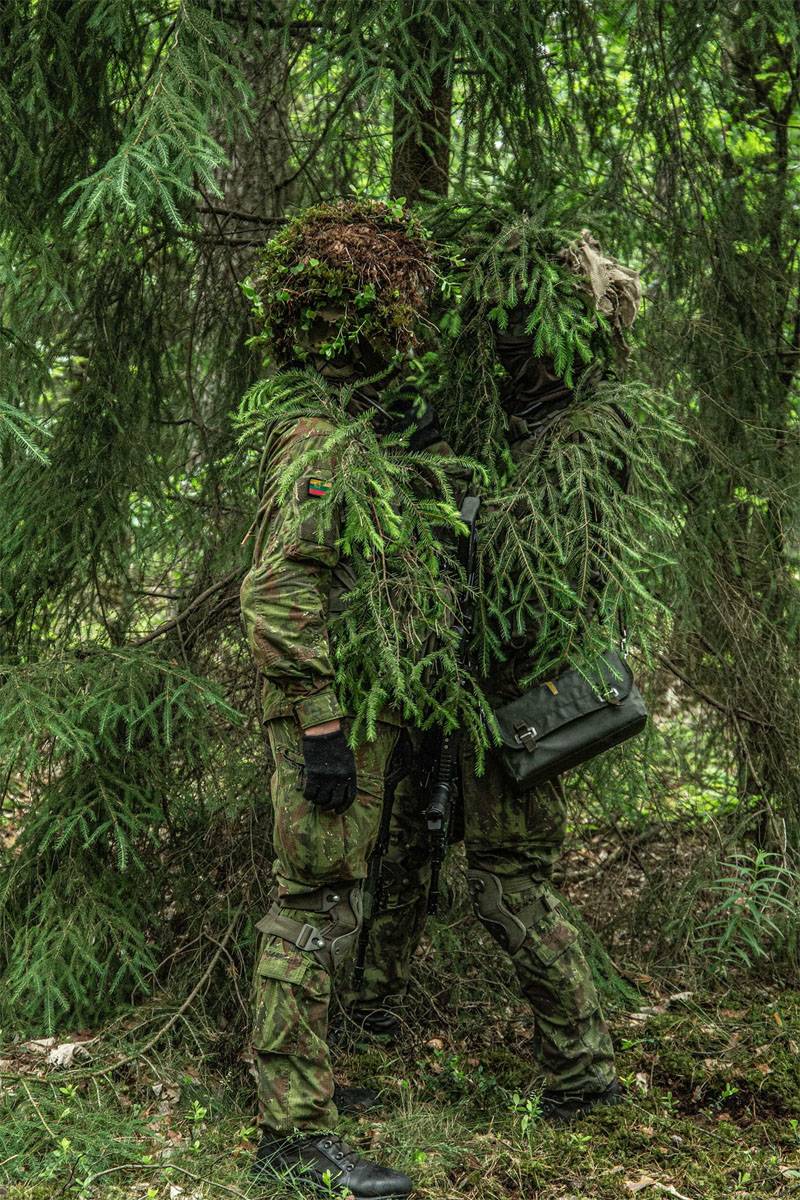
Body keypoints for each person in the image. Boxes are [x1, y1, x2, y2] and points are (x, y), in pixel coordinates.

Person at [350, 230, 643, 1122]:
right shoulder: (491, 417)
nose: (511, 348)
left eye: (527, 329)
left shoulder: (588, 432)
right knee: (401, 849)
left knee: (508, 878)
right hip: (444, 676)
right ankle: (365, 1030)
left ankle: (583, 1075)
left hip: (518, 696)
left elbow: (553, 571)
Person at [240, 200, 448, 1199]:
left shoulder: (356, 432)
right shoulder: (323, 440)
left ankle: (304, 1099)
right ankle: (291, 1137)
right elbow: (278, 590)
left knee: (334, 903)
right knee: (311, 905)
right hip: (326, 717)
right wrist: (321, 725)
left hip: (358, 711)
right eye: (397, 310)